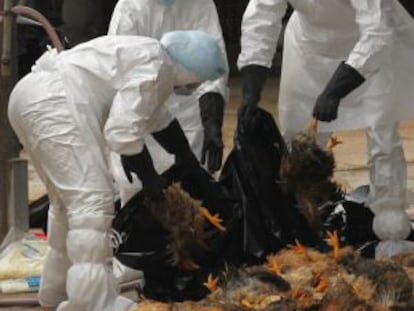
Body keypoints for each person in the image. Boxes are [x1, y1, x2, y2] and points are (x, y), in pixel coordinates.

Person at [8, 30, 227, 311]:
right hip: (54, 103)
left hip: (28, 95)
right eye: (197, 80)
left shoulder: (150, 55)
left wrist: (187, 160)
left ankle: (56, 290)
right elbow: (122, 132)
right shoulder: (159, 68)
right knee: (93, 203)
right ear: (190, 70)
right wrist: (150, 178)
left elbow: (157, 119)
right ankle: (93, 302)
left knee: (66, 205)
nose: (193, 87)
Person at [237, 0, 414, 257]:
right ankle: (294, 227)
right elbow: (260, 20)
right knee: (296, 147)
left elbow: (376, 32)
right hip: (307, 49)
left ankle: (391, 232)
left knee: (383, 137)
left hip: (370, 47)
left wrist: (336, 90)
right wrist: (250, 93)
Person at [108, 0, 228, 205]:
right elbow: (123, 78)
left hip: (189, 105)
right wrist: (131, 153)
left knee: (193, 186)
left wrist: (212, 120)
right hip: (137, 105)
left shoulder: (200, 3)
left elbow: (212, 61)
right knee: (137, 190)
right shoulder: (130, 7)